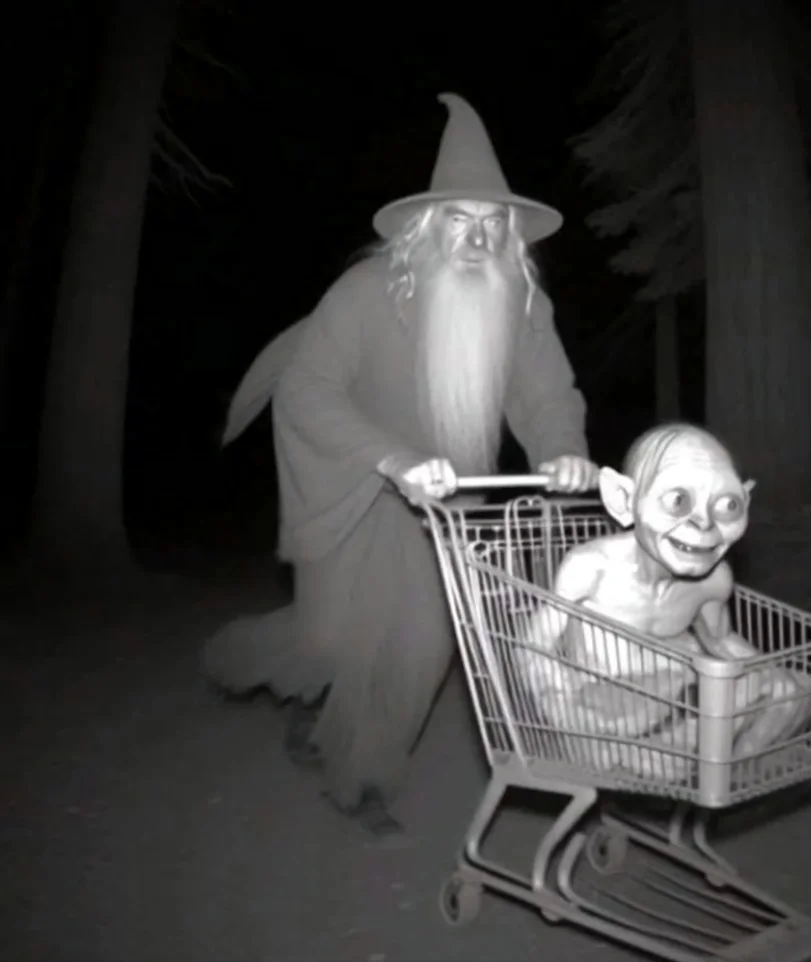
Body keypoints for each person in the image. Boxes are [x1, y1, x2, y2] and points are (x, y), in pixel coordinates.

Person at [203, 92, 599, 837]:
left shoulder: (519, 303)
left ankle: (362, 776)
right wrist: (392, 458)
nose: (477, 237)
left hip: (446, 502)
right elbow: (308, 387)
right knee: (330, 639)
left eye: (493, 223)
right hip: (355, 482)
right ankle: (267, 670)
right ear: (427, 224)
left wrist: (564, 454)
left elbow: (547, 395)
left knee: (421, 644)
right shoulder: (365, 291)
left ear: (510, 235)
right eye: (460, 219)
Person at [517, 422, 811, 780]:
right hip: (603, 710)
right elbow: (533, 647)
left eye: (728, 505)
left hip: (672, 704)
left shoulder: (713, 580)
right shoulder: (592, 568)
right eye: (678, 501)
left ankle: (730, 772)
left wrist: (777, 681)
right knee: (713, 687)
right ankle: (701, 764)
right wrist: (565, 715)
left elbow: (721, 642)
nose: (704, 524)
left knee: (793, 689)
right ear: (623, 500)